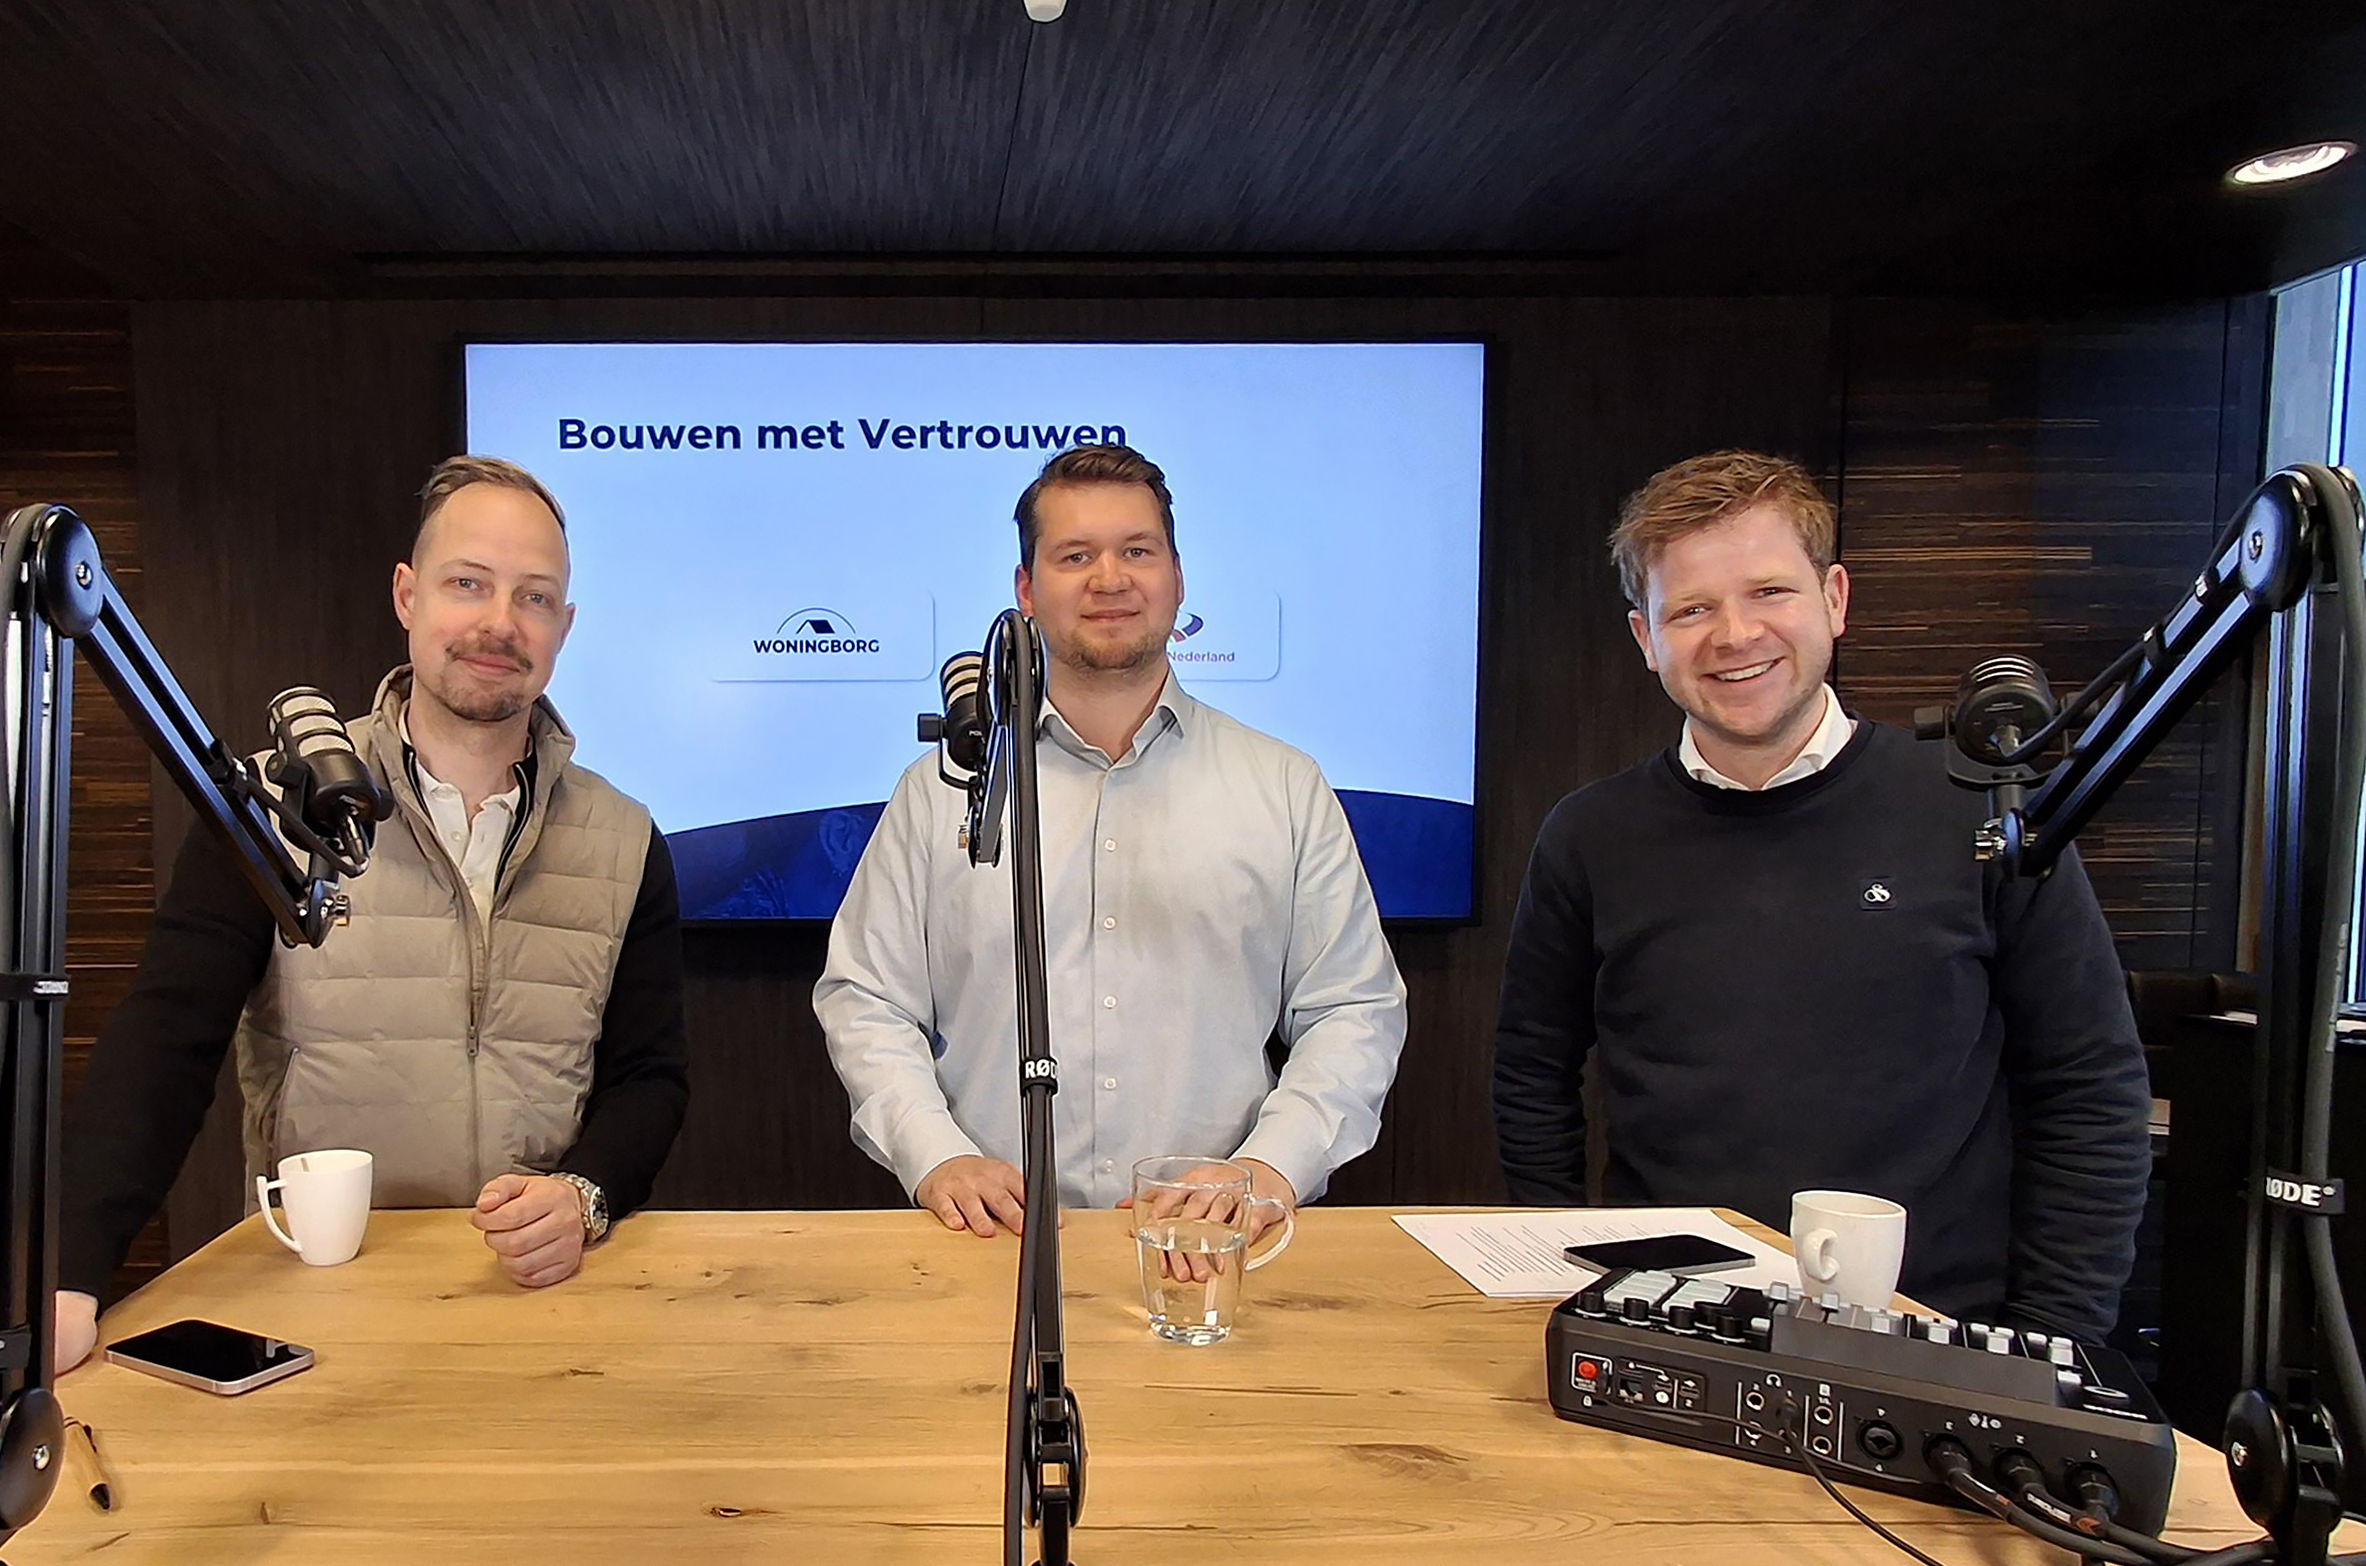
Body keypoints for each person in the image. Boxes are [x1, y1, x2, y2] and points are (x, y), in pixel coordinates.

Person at [0, 457, 689, 1412]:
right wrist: (70, 1279)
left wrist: (584, 1192)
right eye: (468, 583)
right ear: (407, 596)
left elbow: (649, 1077)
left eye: (533, 596)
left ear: (564, 627)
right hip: (322, 1301)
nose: (501, 622)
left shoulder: (625, 838)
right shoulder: (272, 810)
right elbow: (165, 1044)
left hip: (536, 1298)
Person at [1491, 449, 2149, 1338]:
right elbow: (1530, 1073)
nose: (1734, 634)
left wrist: (2047, 1336)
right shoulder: (1588, 835)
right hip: (1672, 1328)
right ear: (1646, 639)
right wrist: (1563, 1274)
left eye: (1769, 591)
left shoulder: (1979, 810)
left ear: (1833, 599)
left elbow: (2089, 1085)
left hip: (1937, 1333)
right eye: (1690, 609)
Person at [815, 444, 1407, 1236]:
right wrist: (936, 1155)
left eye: (1136, 551)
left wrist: (1269, 1167)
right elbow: (867, 998)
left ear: (1177, 578)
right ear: (1026, 590)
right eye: (1074, 555)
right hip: (991, 1239)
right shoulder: (943, 791)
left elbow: (1352, 1007)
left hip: (1210, 1243)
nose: (1109, 578)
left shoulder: (1283, 786)